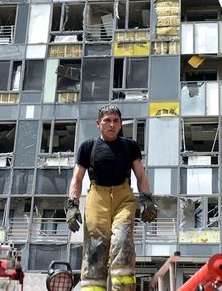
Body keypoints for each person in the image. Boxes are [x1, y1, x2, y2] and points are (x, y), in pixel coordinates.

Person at [66, 105, 157, 291]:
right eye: (107, 120)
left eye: (116, 120)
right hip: (96, 198)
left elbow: (141, 175)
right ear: (98, 123)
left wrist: (147, 199)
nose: (112, 124)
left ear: (121, 124)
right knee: (95, 249)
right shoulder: (87, 147)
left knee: (122, 241)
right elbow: (77, 178)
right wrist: (72, 205)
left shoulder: (130, 146)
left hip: (123, 198)